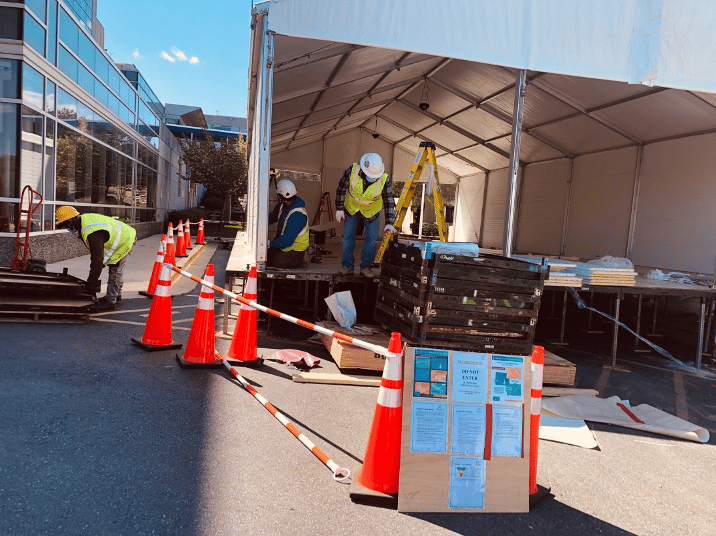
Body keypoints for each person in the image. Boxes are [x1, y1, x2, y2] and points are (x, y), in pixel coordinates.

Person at [55, 206, 136, 311]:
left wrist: (91, 282)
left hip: (126, 240)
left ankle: (110, 301)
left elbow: (97, 260)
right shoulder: (85, 222)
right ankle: (116, 295)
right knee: (114, 269)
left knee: (115, 270)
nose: (68, 228)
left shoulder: (92, 232)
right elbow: (98, 258)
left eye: (66, 225)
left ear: (71, 220)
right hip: (122, 237)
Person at [335, 153, 396, 277]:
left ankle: (366, 267)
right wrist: (339, 208)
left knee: (372, 240)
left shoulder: (384, 178)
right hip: (352, 207)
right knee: (348, 237)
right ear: (363, 168)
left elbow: (389, 200)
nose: (373, 178)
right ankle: (347, 266)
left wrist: (390, 222)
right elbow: (341, 188)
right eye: (370, 176)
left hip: (371, 211)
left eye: (375, 176)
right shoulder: (351, 170)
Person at [267, 179, 311, 269]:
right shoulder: (281, 206)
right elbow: (270, 218)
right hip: (284, 246)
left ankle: (303, 259)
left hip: (296, 250)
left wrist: (269, 243)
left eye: (289, 199)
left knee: (278, 262)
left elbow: (287, 240)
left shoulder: (297, 215)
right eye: (284, 199)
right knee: (265, 256)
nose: (287, 201)